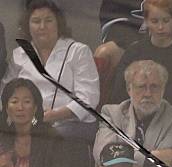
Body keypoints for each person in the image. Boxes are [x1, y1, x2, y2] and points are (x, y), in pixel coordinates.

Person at [107, 0, 172, 145]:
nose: (161, 27)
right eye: (154, 21)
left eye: (166, 21)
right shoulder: (134, 53)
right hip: (137, 124)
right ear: (146, 22)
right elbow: (119, 96)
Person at [1, 0, 99, 143]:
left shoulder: (78, 51)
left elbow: (88, 100)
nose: (42, 27)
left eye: (48, 20)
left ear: (58, 23)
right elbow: (4, 92)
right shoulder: (19, 54)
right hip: (28, 123)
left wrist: (53, 115)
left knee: (43, 137)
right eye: (36, 21)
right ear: (27, 25)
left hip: (71, 124)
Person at [94, 60, 172, 167]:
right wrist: (151, 158)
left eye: (154, 87)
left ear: (163, 89)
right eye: (141, 87)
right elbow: (102, 158)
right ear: (129, 89)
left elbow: (169, 166)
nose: (148, 94)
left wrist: (120, 162)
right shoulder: (111, 113)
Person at [0, 77, 80, 167]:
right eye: (14, 101)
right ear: (7, 108)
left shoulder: (52, 139)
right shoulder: (1, 138)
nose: (20, 107)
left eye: (26, 102)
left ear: (35, 107)